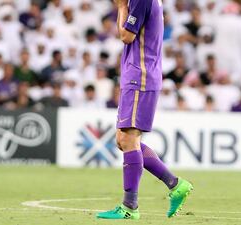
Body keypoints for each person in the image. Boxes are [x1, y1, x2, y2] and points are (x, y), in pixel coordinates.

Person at [97, 0, 193, 220]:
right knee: (123, 140)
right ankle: (175, 184)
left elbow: (126, 36)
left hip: (140, 76)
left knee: (129, 139)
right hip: (138, 74)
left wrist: (121, 7)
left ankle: (130, 206)